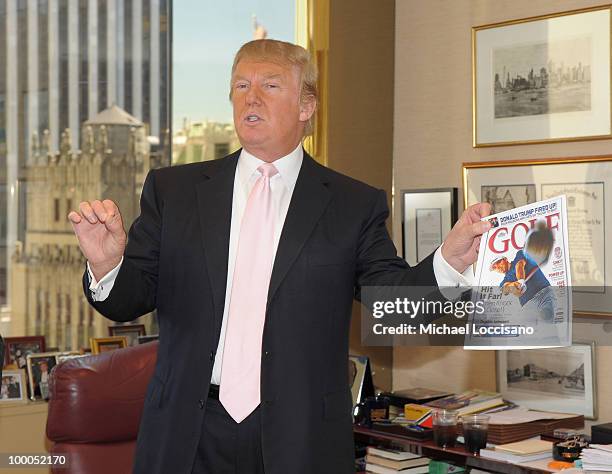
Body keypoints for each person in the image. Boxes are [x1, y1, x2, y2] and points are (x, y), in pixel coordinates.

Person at [69, 39, 491, 474]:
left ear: (307, 106)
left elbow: (392, 302)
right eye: (241, 85)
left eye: (270, 85)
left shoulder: (351, 204)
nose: (251, 97)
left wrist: (449, 260)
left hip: (300, 436)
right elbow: (128, 299)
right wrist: (107, 264)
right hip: (188, 432)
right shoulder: (173, 190)